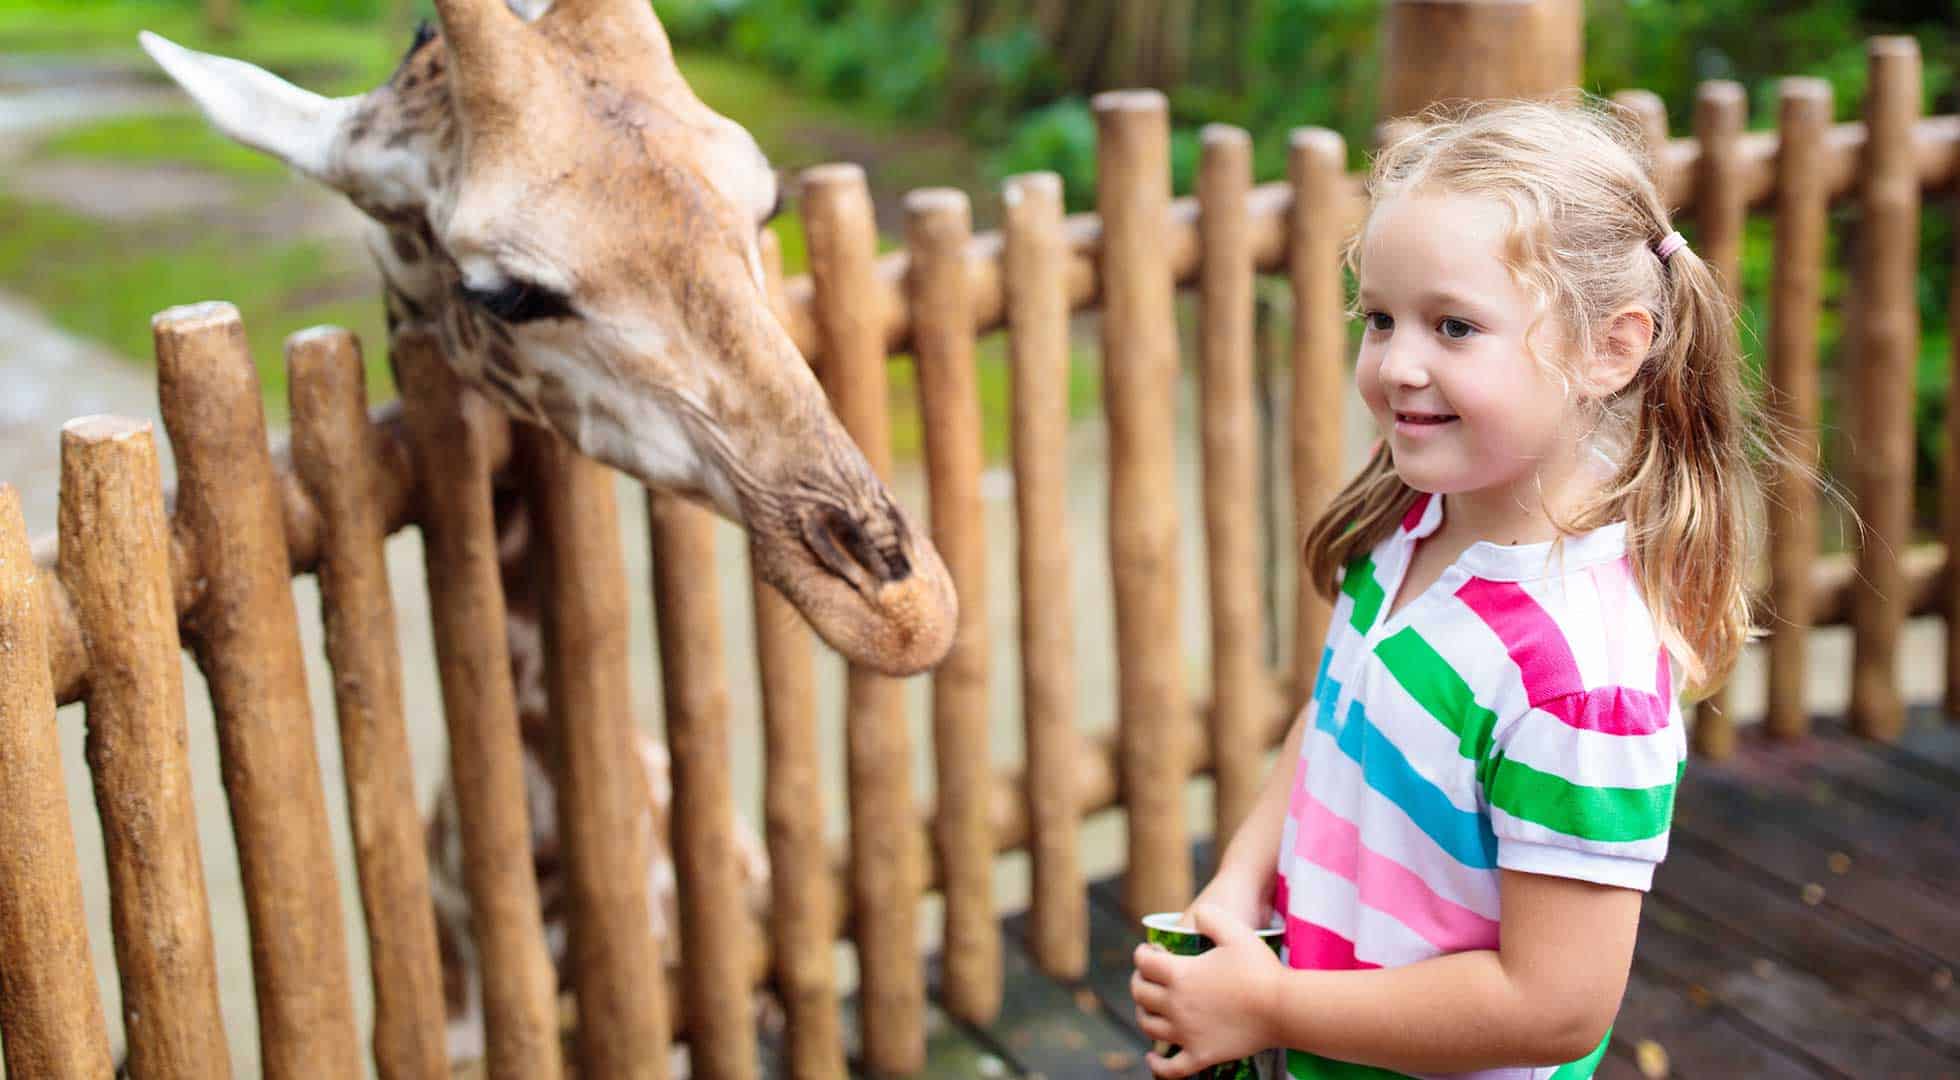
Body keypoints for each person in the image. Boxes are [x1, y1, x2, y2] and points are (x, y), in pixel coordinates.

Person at [1131, 99, 1765, 1079]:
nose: (1396, 364)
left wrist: (1270, 1005)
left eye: (1453, 326)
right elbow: (1337, 720)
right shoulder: (1409, 529)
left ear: (1610, 347)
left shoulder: (1577, 687)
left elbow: (1552, 1006)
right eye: (1379, 319)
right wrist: (1239, 882)